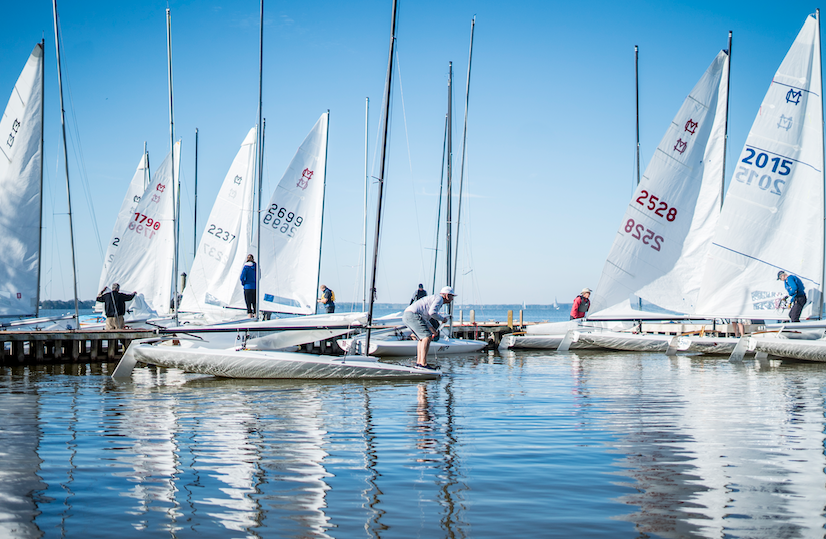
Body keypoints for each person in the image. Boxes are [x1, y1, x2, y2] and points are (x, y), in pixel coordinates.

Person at [403, 286, 456, 369]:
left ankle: (419, 363)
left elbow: (425, 317)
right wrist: (442, 319)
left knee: (422, 339)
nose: (452, 299)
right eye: (451, 296)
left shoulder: (436, 299)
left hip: (408, 315)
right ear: (446, 295)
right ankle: (423, 364)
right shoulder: (439, 299)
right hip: (412, 315)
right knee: (427, 337)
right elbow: (432, 313)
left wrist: (432, 328)